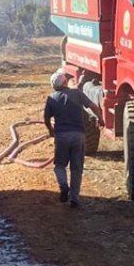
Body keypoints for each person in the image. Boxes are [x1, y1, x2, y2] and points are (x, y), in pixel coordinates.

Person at [43, 69, 101, 208]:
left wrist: (51, 130)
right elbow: (92, 106)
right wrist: (101, 118)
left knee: (59, 166)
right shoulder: (77, 93)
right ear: (64, 82)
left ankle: (63, 185)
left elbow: (46, 118)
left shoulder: (51, 98)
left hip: (62, 135)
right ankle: (74, 199)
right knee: (76, 169)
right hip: (79, 135)